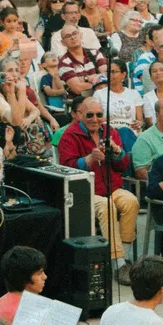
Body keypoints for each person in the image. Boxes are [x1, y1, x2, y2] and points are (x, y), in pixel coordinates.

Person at [58, 96, 138, 265]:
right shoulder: (70, 135)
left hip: (112, 187)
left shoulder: (110, 131)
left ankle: (125, 255)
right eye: (90, 115)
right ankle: (117, 261)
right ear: (80, 114)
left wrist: (118, 153)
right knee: (106, 206)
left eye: (99, 114)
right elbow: (65, 168)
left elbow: (123, 166)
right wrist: (88, 160)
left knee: (131, 201)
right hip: (86, 192)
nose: (95, 119)